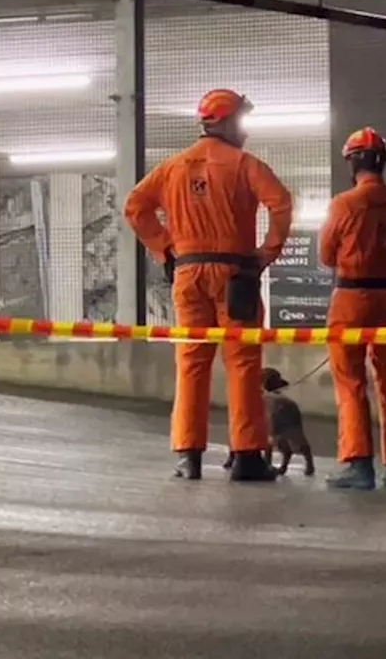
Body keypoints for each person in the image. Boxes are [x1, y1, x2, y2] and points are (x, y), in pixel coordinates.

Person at [123, 89, 294, 482]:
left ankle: (188, 456)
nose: (244, 130)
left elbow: (135, 207)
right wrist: (266, 253)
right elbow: (280, 203)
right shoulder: (244, 164)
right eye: (242, 121)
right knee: (243, 364)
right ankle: (248, 455)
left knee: (191, 363)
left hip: (188, 274)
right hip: (236, 277)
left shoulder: (172, 168)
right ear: (230, 121)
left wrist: (165, 250)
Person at [318, 127, 386, 491]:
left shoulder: (343, 204)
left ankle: (358, 464)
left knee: (351, 382)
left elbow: (327, 255)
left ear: (352, 162)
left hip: (351, 300)